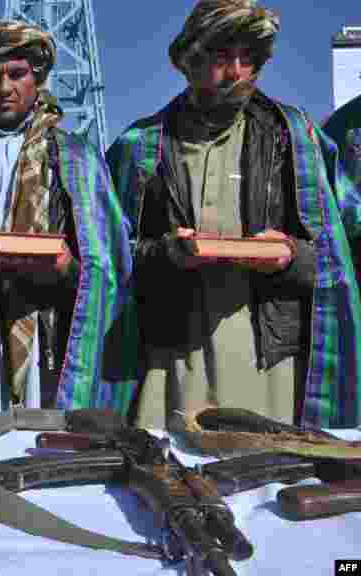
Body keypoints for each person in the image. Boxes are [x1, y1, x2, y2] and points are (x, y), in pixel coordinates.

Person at [107, 0, 361, 428]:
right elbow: (109, 257)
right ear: (190, 60)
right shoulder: (141, 145)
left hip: (270, 361)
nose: (237, 72)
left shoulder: (296, 138)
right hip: (172, 357)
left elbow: (342, 252)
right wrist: (168, 253)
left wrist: (290, 256)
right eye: (223, 56)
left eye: (249, 59)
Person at [0, 20, 132, 419]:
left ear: (38, 78)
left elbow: (109, 266)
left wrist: (67, 269)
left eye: (17, 74)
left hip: (46, 337)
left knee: (41, 445)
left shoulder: (78, 158)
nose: (4, 87)